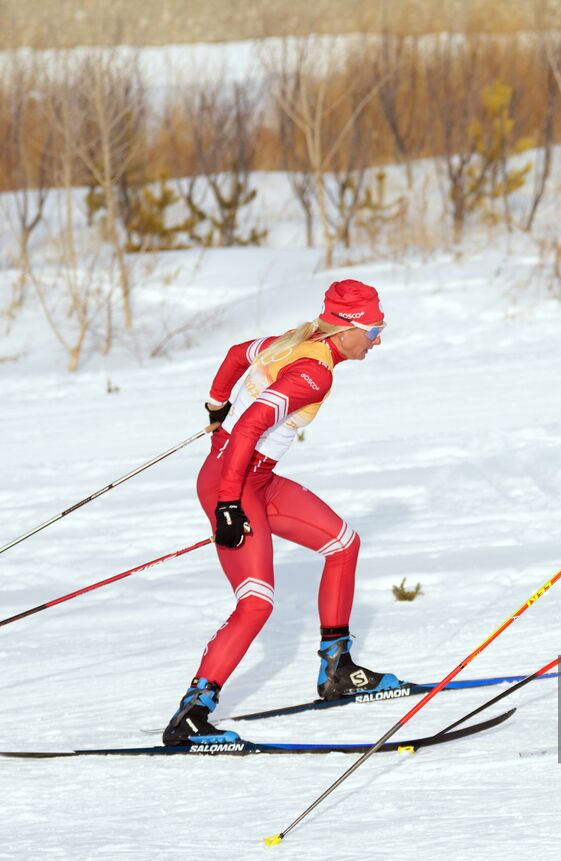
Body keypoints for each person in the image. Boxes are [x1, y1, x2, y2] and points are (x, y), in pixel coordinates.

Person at [163, 279, 403, 746]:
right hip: (233, 482)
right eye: (374, 331)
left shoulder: (290, 342)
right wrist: (230, 502)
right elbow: (252, 426)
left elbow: (236, 354)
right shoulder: (316, 372)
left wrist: (216, 408)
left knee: (343, 544)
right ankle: (191, 715)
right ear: (347, 329)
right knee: (257, 602)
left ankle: (336, 669)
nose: (377, 341)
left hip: (256, 478)